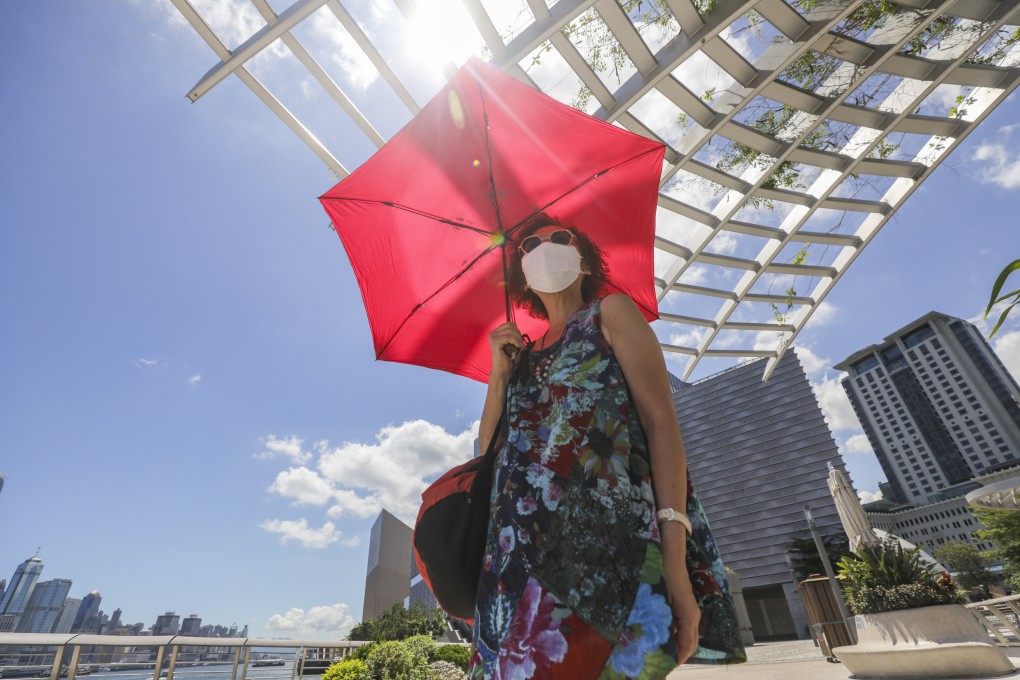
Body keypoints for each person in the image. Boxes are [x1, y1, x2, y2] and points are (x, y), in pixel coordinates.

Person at [468, 215, 745, 678]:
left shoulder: (609, 312)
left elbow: (662, 423)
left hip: (611, 552)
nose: (544, 247)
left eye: (560, 238)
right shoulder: (519, 358)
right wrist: (498, 376)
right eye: (528, 245)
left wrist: (674, 564)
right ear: (520, 274)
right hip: (514, 563)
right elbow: (489, 457)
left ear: (584, 260)